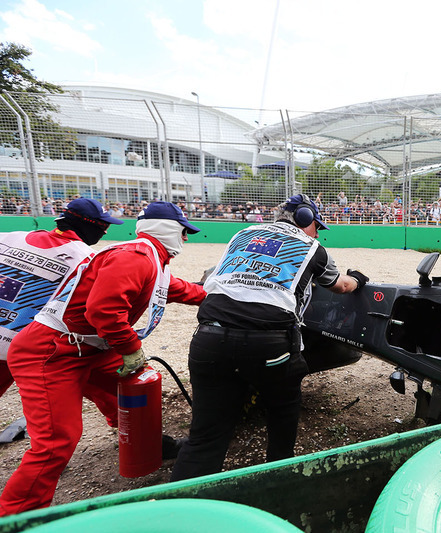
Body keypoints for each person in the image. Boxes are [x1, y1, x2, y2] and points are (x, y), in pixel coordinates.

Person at [0, 201, 206, 516]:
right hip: (51, 353)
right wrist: (129, 347)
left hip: (87, 348)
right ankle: (14, 517)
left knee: (135, 387)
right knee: (57, 442)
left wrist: (219, 297)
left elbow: (178, 289)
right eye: (184, 231)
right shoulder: (136, 258)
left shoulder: (148, 258)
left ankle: (147, 445)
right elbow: (104, 311)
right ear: (166, 230)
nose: (187, 238)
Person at [170, 194, 369, 481]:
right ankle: (275, 489)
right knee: (281, 422)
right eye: (317, 226)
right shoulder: (313, 248)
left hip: (209, 337)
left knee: (205, 437)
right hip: (270, 342)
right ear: (305, 219)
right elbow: (340, 286)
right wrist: (358, 278)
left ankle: (178, 511)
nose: (317, 232)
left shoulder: (242, 234)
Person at [0, 198, 124, 398]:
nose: (106, 231)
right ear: (88, 224)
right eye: (104, 225)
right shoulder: (87, 258)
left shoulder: (9, 237)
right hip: (24, 344)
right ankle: (125, 422)